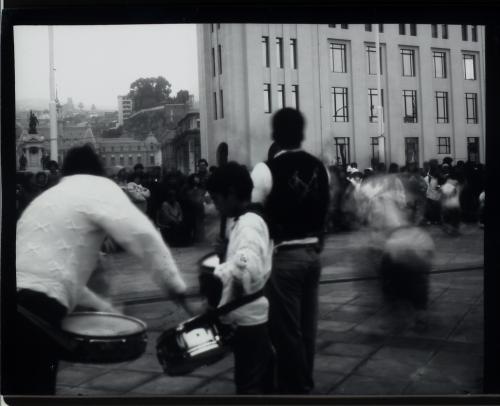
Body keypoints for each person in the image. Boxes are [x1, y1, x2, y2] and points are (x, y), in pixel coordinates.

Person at [9, 144, 189, 396]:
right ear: (98, 171)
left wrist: (103, 307)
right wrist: (176, 286)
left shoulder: (49, 196)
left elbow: (53, 276)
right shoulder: (100, 187)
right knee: (34, 388)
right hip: (40, 306)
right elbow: (144, 237)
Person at [251, 108, 330, 394]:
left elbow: (252, 215)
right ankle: (305, 382)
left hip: (284, 258)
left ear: (275, 135)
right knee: (307, 329)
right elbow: (324, 211)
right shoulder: (319, 167)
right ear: (301, 133)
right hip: (313, 255)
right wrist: (318, 241)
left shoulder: (265, 170)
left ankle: (295, 389)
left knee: (286, 332)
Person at [206, 162, 274, 395]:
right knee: (252, 376)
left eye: (216, 199)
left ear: (232, 193)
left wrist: (217, 274)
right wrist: (226, 252)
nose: (215, 207)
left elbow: (247, 268)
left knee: (248, 383)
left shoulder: (249, 224)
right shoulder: (244, 221)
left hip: (250, 320)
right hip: (247, 317)